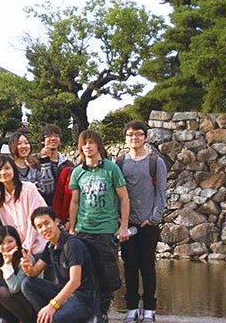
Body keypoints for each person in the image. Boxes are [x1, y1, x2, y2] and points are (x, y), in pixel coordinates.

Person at [69, 129, 130, 322]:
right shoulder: (78, 172)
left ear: (98, 145)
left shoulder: (111, 169)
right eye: (84, 143)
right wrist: (72, 226)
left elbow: (124, 198)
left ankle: (103, 310)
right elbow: (75, 202)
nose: (88, 146)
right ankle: (89, 311)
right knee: (85, 273)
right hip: (83, 229)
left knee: (106, 273)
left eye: (91, 142)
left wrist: (124, 225)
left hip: (105, 230)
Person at [118, 121, 167, 323]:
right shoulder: (120, 163)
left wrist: (154, 218)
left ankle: (149, 308)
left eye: (138, 134)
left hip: (148, 224)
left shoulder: (156, 162)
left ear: (145, 137)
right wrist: (120, 220)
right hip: (127, 224)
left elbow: (161, 193)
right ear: (125, 138)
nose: (134, 138)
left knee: (147, 267)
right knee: (129, 266)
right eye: (130, 135)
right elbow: (117, 194)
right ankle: (131, 307)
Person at [21, 206, 97, 323]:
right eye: (39, 226)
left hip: (83, 298)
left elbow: (75, 282)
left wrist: (53, 306)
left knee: (51, 319)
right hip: (64, 294)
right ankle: (45, 316)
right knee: (27, 283)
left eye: (47, 223)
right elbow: (35, 271)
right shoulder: (50, 245)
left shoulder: (72, 245)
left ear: (56, 221)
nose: (44, 228)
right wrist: (28, 268)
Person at [0, 226, 35, 323]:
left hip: (29, 304)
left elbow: (15, 288)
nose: (6, 246)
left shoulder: (25, 257)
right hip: (12, 304)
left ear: (17, 241)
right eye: (1, 243)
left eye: (10, 241)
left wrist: (8, 265)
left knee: (2, 292)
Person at [0, 155, 47, 256]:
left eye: (7, 168)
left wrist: (26, 247)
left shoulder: (28, 189)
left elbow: (35, 221)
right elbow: (7, 227)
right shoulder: (0, 198)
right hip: (19, 249)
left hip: (39, 246)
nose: (3, 172)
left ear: (14, 169)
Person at [36, 124, 74, 205]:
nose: (53, 138)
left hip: (62, 208)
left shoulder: (68, 164)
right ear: (42, 140)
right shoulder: (34, 162)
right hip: (40, 207)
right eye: (49, 136)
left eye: (56, 136)